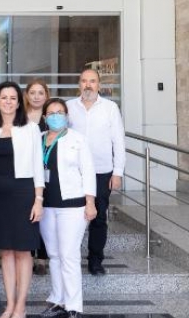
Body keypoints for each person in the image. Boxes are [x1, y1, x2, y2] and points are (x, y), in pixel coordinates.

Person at [0, 81, 44, 318]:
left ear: (19, 102)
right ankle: (9, 304)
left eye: (12, 98)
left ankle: (21, 306)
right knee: (5, 251)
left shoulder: (30, 128)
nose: (8, 102)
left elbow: (38, 165)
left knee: (22, 251)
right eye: (3, 98)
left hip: (23, 193)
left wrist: (38, 200)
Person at [38, 98, 97, 318]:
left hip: (72, 206)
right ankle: (57, 300)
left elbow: (89, 171)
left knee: (69, 255)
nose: (55, 116)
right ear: (44, 117)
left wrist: (90, 202)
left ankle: (74, 307)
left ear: (67, 115)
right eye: (51, 113)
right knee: (53, 255)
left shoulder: (78, 139)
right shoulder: (39, 140)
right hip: (46, 205)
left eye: (60, 112)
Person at [67, 69, 126, 276]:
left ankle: (95, 261)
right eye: (84, 81)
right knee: (71, 216)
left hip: (102, 172)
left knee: (99, 217)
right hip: (74, 173)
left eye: (92, 81)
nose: (88, 85)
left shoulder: (110, 108)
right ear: (79, 84)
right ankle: (69, 258)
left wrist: (117, 172)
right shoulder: (69, 107)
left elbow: (118, 141)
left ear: (99, 85)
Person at [24, 79, 51, 275]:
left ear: (46, 95)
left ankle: (42, 258)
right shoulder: (20, 117)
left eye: (40, 93)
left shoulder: (52, 116)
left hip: (48, 172)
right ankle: (28, 254)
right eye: (32, 92)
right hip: (25, 172)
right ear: (26, 95)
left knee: (44, 215)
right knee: (27, 214)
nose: (36, 96)